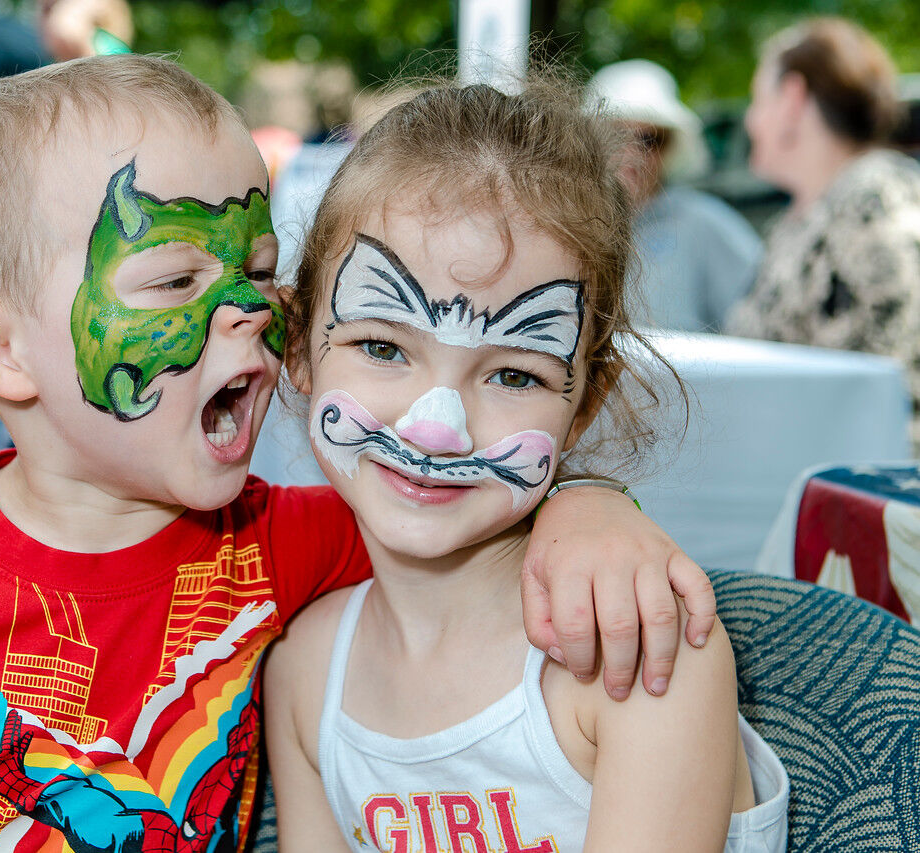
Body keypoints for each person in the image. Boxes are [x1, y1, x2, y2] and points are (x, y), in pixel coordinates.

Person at [0, 56, 717, 850]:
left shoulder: (289, 545)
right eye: (176, 278)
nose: (245, 309)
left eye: (260, 269)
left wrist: (589, 507)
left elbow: (453, 495)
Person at [265, 78, 789, 851]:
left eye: (513, 374)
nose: (436, 428)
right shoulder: (306, 671)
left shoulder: (633, 649)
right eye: (382, 346)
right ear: (299, 345)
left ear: (585, 404)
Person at [725, 18, 920, 448]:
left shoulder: (876, 201)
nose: (751, 121)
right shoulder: (804, 217)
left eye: (758, 99)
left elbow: (899, 390)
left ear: (792, 99)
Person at [588, 59, 762, 333]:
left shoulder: (704, 224)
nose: (633, 152)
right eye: (617, 134)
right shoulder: (560, 224)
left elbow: (768, 318)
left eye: (649, 140)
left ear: (669, 148)